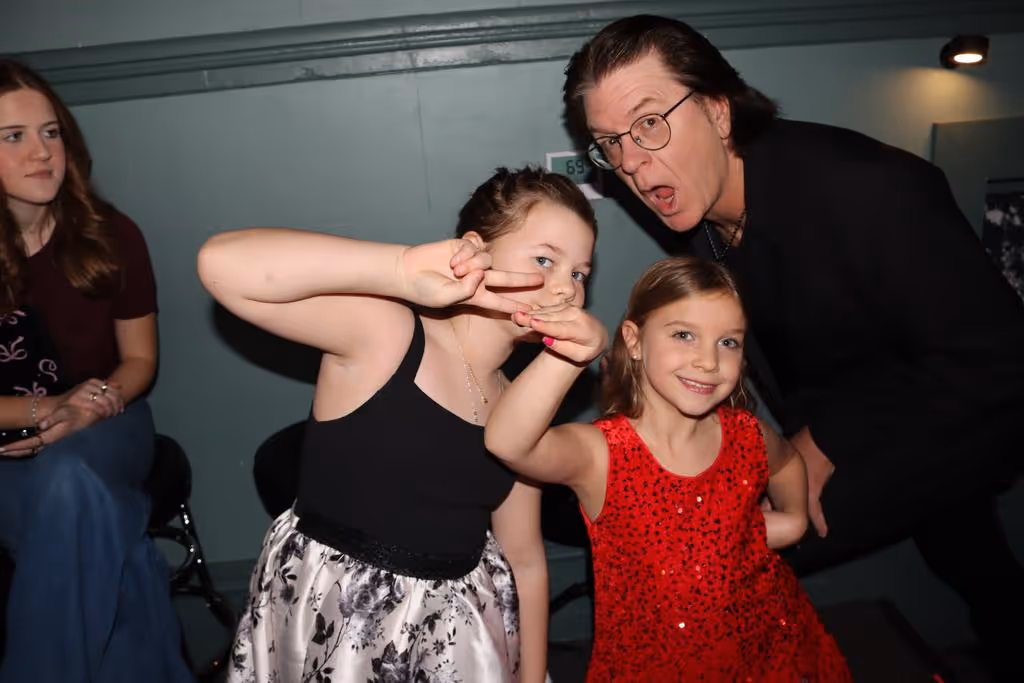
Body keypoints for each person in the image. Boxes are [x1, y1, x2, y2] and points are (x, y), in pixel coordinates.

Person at [562, 14, 1024, 679]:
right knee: (976, 562)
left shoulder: (872, 189)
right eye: (610, 143)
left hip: (948, 419)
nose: (631, 162)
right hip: (853, 407)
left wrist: (824, 437)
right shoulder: (692, 194)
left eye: (648, 123)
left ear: (719, 113)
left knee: (738, 550)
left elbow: (1001, 356)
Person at [198, 166, 597, 683]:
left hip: (459, 633)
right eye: (545, 260)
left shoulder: (521, 401)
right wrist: (401, 268)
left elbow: (524, 559)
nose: (565, 288)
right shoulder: (390, 332)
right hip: (337, 619)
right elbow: (220, 266)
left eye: (580, 273)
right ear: (476, 251)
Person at [486, 256, 851, 681]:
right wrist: (571, 355)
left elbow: (788, 462)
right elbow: (507, 443)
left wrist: (791, 521)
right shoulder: (602, 454)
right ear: (635, 341)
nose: (708, 362)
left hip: (767, 645)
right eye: (684, 335)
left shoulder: (747, 435)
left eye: (728, 342)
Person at [0, 60, 192, 682]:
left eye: (51, 132)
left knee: (69, 477)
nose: (41, 153)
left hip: (110, 420)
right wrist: (45, 410)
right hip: (7, 440)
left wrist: (86, 406)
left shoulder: (111, 234)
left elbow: (140, 362)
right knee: (102, 527)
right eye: (13, 136)